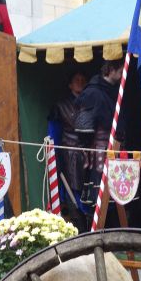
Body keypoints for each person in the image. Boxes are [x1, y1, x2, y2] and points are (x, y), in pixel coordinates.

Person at [75, 59, 125, 209]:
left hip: (116, 148)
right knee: (100, 200)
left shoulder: (115, 90)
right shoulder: (92, 93)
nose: (122, 73)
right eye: (120, 70)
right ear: (111, 69)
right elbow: (84, 130)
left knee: (116, 199)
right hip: (100, 151)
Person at [47, 71, 88, 230]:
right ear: (70, 84)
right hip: (70, 154)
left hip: (88, 153)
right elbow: (54, 136)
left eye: (83, 79)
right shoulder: (61, 106)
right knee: (73, 190)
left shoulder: (90, 102)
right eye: (77, 79)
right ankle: (78, 223)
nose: (80, 82)